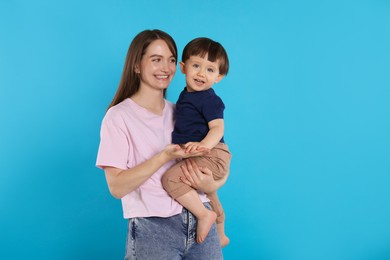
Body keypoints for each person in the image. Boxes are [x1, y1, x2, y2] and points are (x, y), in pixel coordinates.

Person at [96, 29, 227, 260]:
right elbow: (116, 187)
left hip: (201, 220)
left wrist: (212, 183)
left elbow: (214, 159)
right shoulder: (118, 117)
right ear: (137, 65)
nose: (166, 68)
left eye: (171, 60)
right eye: (156, 60)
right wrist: (163, 157)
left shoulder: (183, 112)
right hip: (154, 228)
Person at [162, 37, 232, 247]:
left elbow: (217, 128)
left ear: (219, 76)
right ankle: (220, 227)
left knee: (171, 180)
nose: (201, 73)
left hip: (212, 153)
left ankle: (204, 215)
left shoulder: (209, 99)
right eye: (196, 66)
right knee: (207, 190)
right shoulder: (186, 96)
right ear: (183, 67)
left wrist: (204, 146)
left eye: (210, 70)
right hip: (202, 153)